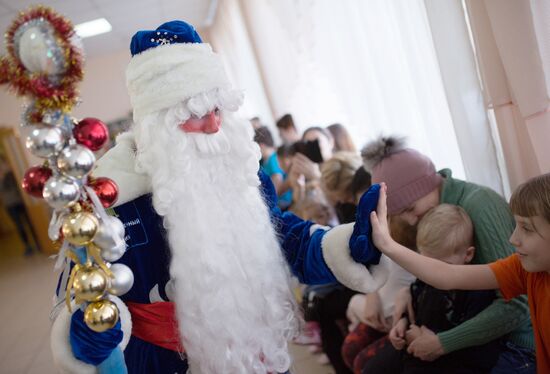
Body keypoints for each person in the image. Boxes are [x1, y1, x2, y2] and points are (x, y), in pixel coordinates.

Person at [50, 21, 390, 374]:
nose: (214, 126)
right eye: (196, 115)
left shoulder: (239, 170)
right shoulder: (109, 200)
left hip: (256, 354)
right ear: (157, 124)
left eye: (218, 110)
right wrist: (90, 331)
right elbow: (85, 292)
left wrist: (347, 245)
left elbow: (283, 237)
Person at [362, 136, 535, 373]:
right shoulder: (433, 212)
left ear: (426, 184)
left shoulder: (480, 206)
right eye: (402, 215)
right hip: (456, 324)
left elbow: (519, 304)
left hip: (512, 342)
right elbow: (440, 279)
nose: (412, 220)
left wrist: (444, 342)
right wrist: (409, 296)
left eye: (411, 209)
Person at [365, 204, 501, 373]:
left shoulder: (477, 292)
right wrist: (403, 322)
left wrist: (432, 339)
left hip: (450, 359)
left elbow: (479, 349)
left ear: (468, 254)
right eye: (429, 266)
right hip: (414, 344)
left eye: (444, 266)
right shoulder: (426, 277)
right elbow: (415, 299)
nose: (435, 275)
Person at [0, 158, 36, 255]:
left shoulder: (11, 174)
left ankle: (38, 243)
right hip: (9, 205)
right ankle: (28, 246)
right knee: (19, 226)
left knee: (30, 222)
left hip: (20, 201)